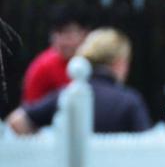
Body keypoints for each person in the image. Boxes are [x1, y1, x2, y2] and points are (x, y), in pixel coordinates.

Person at [7, 28, 150, 135]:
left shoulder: (67, 94)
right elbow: (146, 148)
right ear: (119, 62)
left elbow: (16, 121)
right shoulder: (130, 101)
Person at [20, 4, 88, 105]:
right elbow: (27, 112)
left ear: (85, 33)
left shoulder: (95, 62)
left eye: (68, 33)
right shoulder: (42, 67)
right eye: (57, 34)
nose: (62, 41)